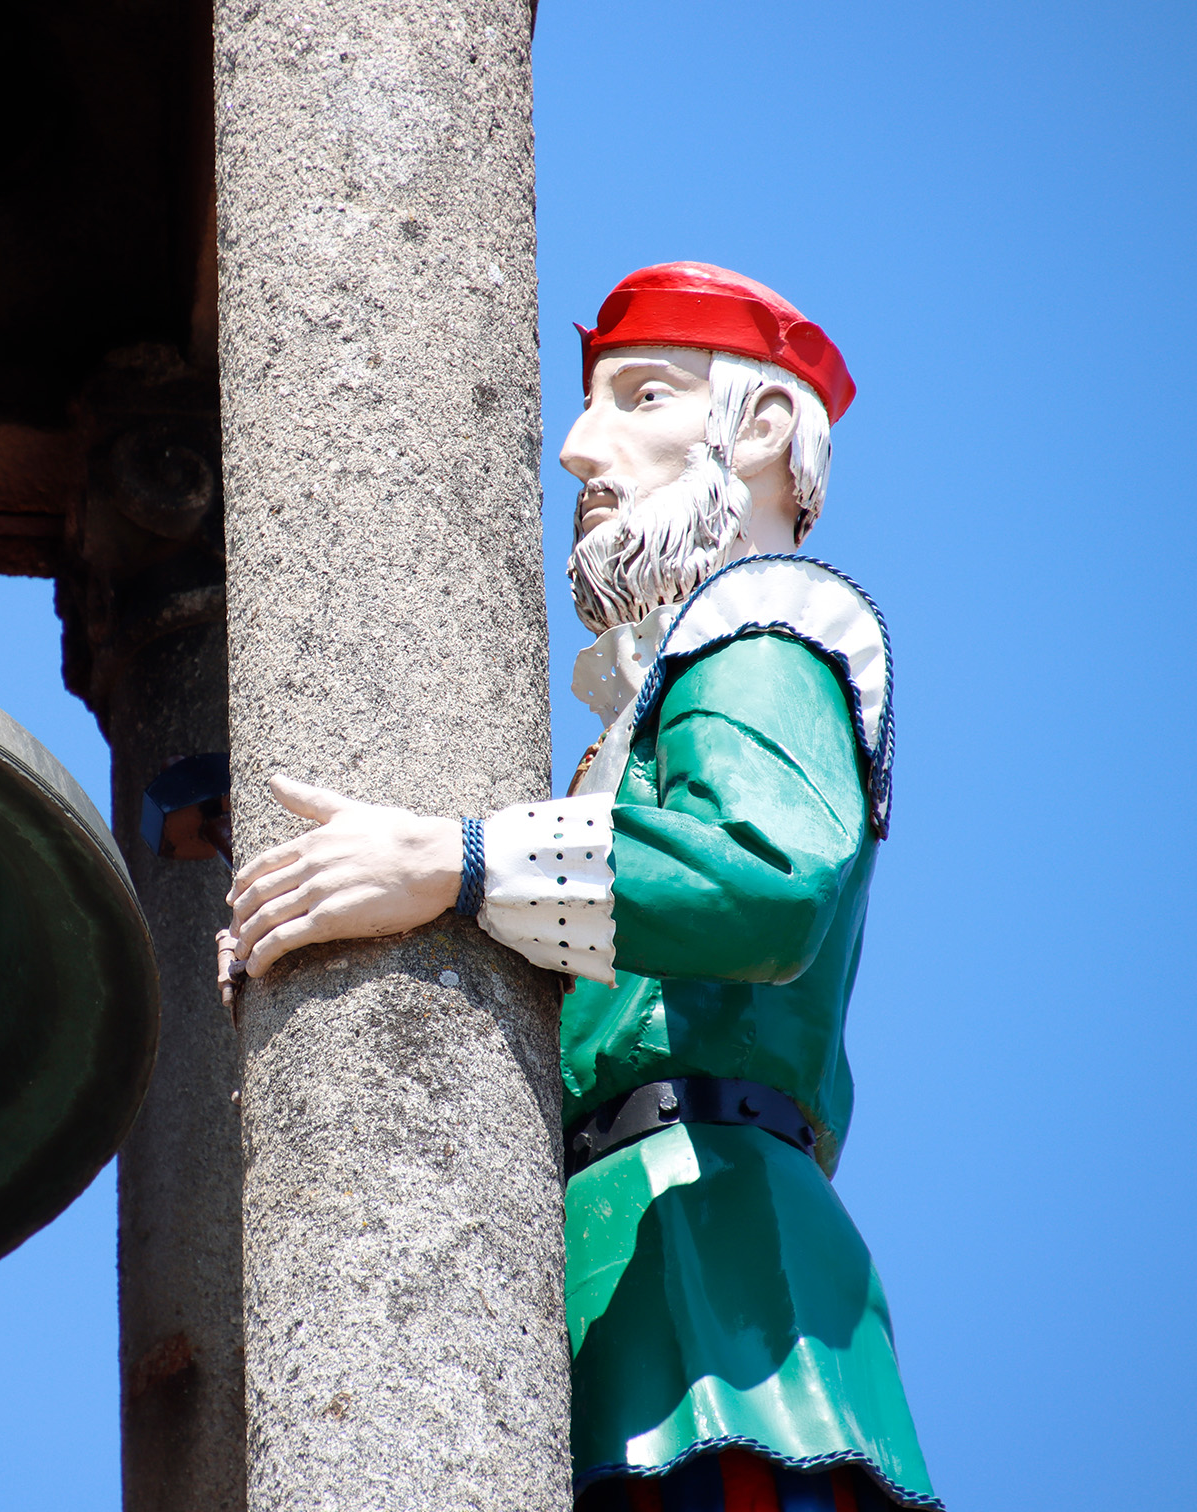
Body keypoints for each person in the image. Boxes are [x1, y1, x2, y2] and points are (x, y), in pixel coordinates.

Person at [218, 263, 939, 1511]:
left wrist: (459, 861)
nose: (573, 449)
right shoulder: (643, 718)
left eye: (638, 396)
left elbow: (767, 881)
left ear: (761, 430)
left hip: (715, 1269)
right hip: (624, 1252)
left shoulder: (763, 634)